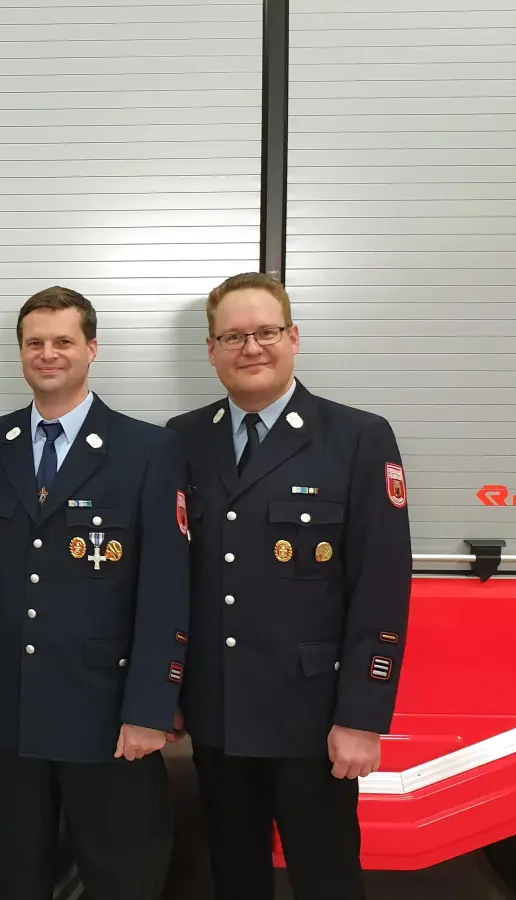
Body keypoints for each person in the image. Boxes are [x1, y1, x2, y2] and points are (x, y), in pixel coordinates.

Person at [165, 272, 412, 900]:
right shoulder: (183, 439)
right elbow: (170, 578)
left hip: (312, 717)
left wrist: (361, 716)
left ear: (294, 337)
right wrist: (166, 691)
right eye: (233, 336)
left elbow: (381, 584)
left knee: (326, 877)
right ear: (212, 349)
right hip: (219, 712)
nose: (251, 347)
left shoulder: (357, 437)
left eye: (266, 332)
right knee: (234, 876)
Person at [0, 286, 190, 900]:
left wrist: (150, 707)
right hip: (10, 710)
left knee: (122, 876)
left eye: (63, 341)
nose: (48, 353)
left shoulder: (147, 449)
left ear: (92, 349)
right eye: (34, 342)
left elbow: (167, 588)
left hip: (106, 716)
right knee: (13, 877)